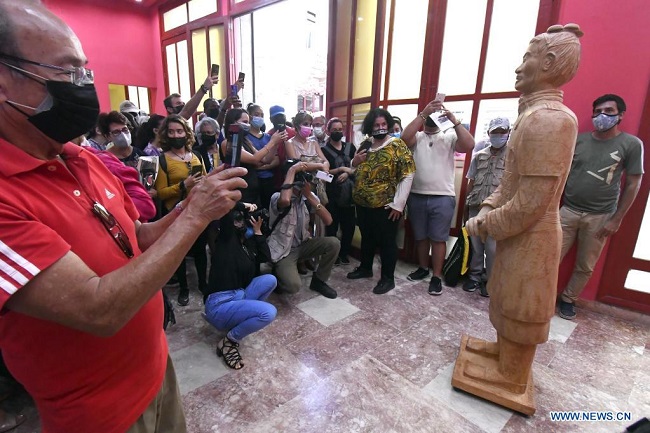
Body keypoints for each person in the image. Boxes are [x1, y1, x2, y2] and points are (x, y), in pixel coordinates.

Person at [0, 2, 247, 432]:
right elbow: (98, 310)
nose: (85, 85)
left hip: (156, 371)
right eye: (68, 71)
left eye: (86, 70)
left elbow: (138, 236)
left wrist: (196, 206)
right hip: (101, 413)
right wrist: (192, 220)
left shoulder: (82, 159)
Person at [462, 24, 583, 398]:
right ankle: (502, 354)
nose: (518, 67)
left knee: (521, 304)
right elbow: (509, 182)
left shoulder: (551, 119)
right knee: (505, 296)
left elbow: (531, 203)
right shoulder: (532, 114)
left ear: (548, 63)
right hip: (518, 234)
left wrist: (485, 223)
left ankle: (513, 374)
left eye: (526, 58)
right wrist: (487, 205)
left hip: (533, 235)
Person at [557, 94, 644, 320]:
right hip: (568, 210)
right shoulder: (579, 140)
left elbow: (634, 182)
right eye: (596, 112)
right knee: (549, 256)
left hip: (601, 216)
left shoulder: (631, 144)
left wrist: (617, 219)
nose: (601, 116)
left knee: (585, 264)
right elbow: (562, 173)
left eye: (608, 111)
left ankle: (568, 299)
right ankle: (542, 296)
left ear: (620, 115)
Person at [401, 100, 475, 295]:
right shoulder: (416, 137)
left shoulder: (449, 136)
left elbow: (469, 145)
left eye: (436, 115)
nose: (433, 118)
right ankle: (423, 269)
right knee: (421, 237)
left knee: (438, 239)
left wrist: (454, 120)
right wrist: (423, 114)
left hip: (442, 197)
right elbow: (403, 137)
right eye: (429, 115)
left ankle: (436, 276)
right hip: (416, 195)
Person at [347, 108, 415, 294]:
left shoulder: (397, 146)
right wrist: (355, 162)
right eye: (376, 125)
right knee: (367, 238)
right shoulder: (366, 144)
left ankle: (387, 279)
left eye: (383, 124)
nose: (380, 128)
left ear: (389, 125)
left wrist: (398, 204)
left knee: (387, 243)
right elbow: (354, 168)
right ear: (370, 126)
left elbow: (408, 175)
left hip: (386, 205)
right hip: (363, 203)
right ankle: (365, 268)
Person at [204, 209, 277, 370]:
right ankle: (229, 340)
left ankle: (240, 318)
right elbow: (227, 212)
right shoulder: (225, 241)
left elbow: (265, 257)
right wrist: (244, 206)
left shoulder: (247, 246)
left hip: (238, 295)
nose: (240, 223)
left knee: (270, 280)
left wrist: (257, 231)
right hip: (219, 305)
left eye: (242, 220)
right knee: (268, 313)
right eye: (237, 221)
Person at [154, 114, 209, 306]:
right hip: (176, 214)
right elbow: (160, 193)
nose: (176, 135)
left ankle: (203, 283)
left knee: (200, 250)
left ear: (186, 133)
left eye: (179, 131)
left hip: (198, 211)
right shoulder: (163, 160)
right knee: (179, 254)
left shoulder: (197, 156)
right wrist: (183, 186)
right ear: (165, 135)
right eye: (171, 132)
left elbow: (205, 179)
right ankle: (184, 288)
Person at [267, 160, 340, 298]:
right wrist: (292, 171)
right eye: (298, 177)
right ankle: (277, 274)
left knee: (334, 243)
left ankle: (319, 281)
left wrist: (309, 196)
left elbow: (328, 220)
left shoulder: (307, 198)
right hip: (284, 250)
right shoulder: (277, 197)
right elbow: (285, 200)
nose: (303, 181)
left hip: (303, 245)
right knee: (293, 286)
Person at [463, 117, 510, 296]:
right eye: (494, 132)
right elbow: (471, 181)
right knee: (476, 245)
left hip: (498, 211)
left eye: (502, 132)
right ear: (489, 134)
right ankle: (474, 277)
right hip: (476, 206)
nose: (498, 135)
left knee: (493, 249)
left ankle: (490, 281)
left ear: (508, 133)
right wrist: (466, 207)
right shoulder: (479, 156)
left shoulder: (513, 157)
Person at [220, 108, 286, 206]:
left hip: (253, 190)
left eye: (248, 122)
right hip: (239, 191)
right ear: (233, 122)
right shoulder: (228, 143)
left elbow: (265, 160)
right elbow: (254, 159)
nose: (248, 125)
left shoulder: (246, 141)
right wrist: (271, 142)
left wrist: (276, 143)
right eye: (245, 122)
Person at [322, 117, 357, 265]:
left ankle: (344, 253)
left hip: (350, 194)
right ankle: (333, 255)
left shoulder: (351, 147)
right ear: (328, 131)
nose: (337, 132)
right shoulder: (323, 149)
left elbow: (357, 166)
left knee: (349, 227)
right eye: (334, 130)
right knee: (332, 226)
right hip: (332, 194)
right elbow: (322, 172)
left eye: (340, 130)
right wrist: (341, 169)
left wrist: (349, 172)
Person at [247, 103, 281, 210]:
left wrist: (262, 166)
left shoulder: (269, 137)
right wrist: (262, 161)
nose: (260, 117)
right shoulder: (245, 137)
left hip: (268, 180)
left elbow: (276, 160)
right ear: (249, 116)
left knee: (270, 209)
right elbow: (253, 161)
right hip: (252, 180)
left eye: (262, 115)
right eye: (257, 114)